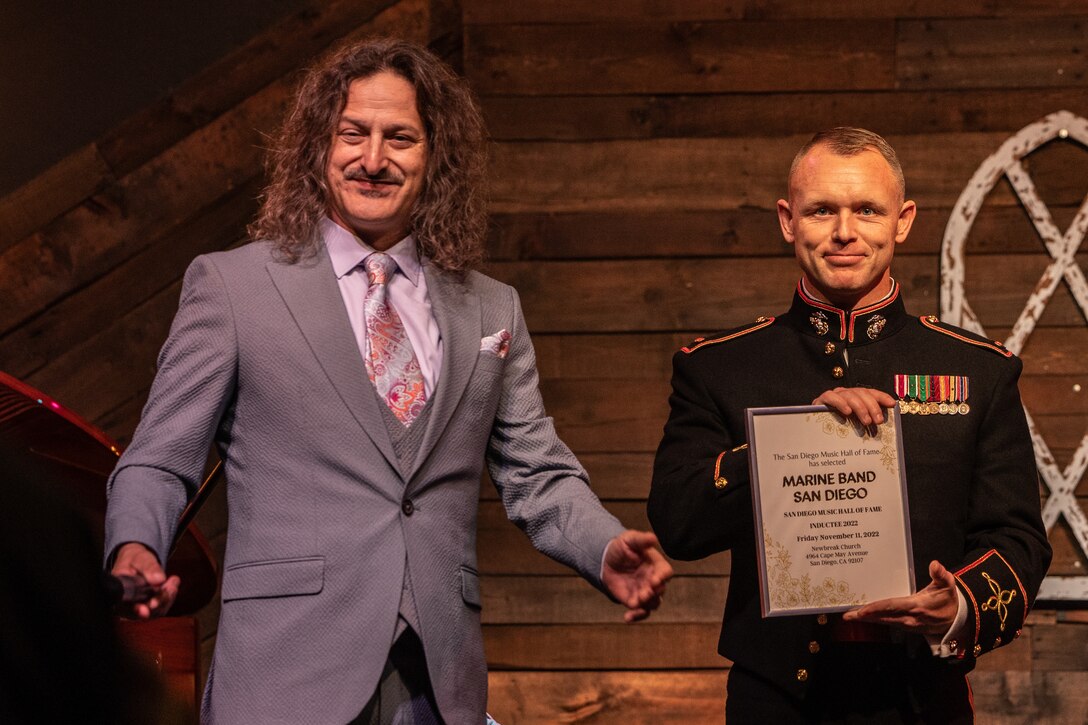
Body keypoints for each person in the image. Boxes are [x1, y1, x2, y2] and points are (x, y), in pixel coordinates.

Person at [105, 37, 672, 724]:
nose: (373, 159)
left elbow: (539, 475)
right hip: (286, 675)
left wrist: (605, 545)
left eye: (399, 137)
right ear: (319, 144)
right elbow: (162, 457)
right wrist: (136, 543)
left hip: (437, 680)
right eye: (354, 134)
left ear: (435, 157)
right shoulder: (233, 287)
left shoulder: (493, 308)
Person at [648, 127, 1051, 723]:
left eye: (867, 209)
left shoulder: (979, 371)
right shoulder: (718, 368)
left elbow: (1018, 539)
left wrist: (960, 605)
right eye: (821, 211)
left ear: (902, 220)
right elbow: (678, 519)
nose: (844, 232)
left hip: (923, 699)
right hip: (776, 702)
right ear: (788, 220)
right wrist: (792, 443)